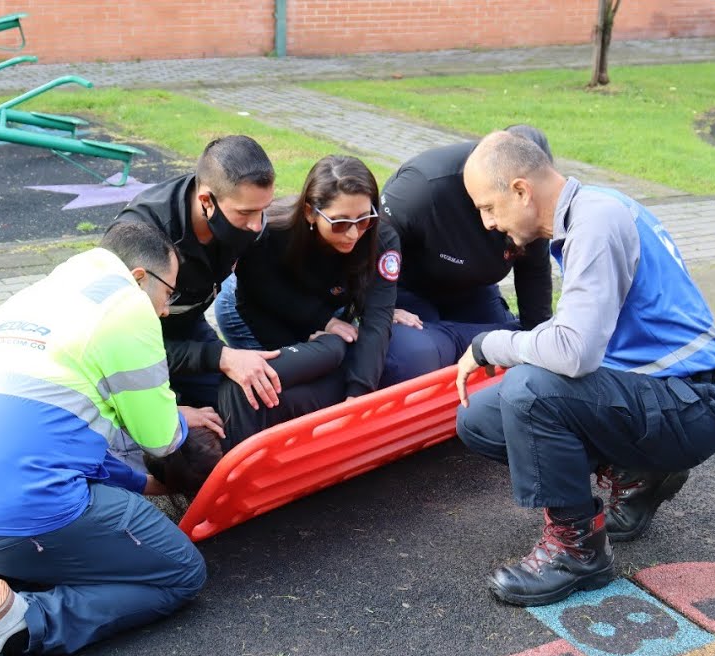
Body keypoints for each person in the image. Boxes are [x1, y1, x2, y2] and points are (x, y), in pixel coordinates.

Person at [0, 222, 220, 656]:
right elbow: (160, 438)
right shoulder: (127, 307)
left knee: (44, 524)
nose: (164, 311)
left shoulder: (37, 295)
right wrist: (179, 418)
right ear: (140, 278)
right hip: (12, 506)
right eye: (169, 294)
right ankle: (20, 621)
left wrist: (140, 481)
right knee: (179, 572)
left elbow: (64, 437)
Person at [452, 131, 715, 608]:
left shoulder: (597, 222)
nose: (487, 223)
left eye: (488, 207)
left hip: (693, 401)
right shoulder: (591, 210)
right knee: (482, 418)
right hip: (656, 391)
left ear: (521, 190)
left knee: (529, 390)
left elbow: (574, 353)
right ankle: (636, 471)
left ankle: (577, 552)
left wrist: (489, 345)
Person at [212, 155, 398, 445]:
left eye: (364, 220)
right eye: (339, 223)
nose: (353, 233)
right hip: (252, 309)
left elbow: (377, 320)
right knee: (267, 387)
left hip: (322, 301)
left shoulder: (381, 238)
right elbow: (256, 301)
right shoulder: (269, 234)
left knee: (329, 363)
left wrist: (358, 396)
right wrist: (317, 324)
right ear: (311, 213)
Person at [113, 135, 284, 415]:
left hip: (187, 329)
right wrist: (219, 359)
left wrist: (317, 327)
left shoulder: (248, 220)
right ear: (207, 200)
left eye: (263, 210)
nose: (256, 226)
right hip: (130, 354)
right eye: (245, 213)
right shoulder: (143, 235)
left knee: (246, 404)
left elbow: (261, 288)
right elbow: (122, 346)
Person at [378, 124, 556, 387]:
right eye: (484, 208)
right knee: (415, 355)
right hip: (408, 287)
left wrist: (537, 342)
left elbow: (535, 275)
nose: (489, 223)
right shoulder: (422, 188)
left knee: (512, 349)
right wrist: (381, 306)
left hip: (474, 287)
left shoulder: (533, 202)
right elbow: (368, 252)